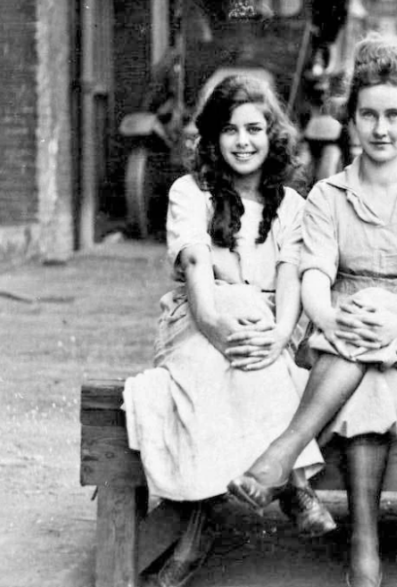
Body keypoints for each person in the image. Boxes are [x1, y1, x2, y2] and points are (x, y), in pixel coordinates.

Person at [227, 32, 397, 587]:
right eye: (368, 115)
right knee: (374, 380)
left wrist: (394, 321)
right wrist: (334, 320)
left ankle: (282, 454)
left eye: (394, 116)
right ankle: (365, 544)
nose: (382, 129)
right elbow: (314, 279)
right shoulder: (328, 196)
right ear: (351, 120)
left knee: (375, 331)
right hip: (342, 324)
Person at [123, 74, 332, 587]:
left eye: (255, 129)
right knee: (222, 339)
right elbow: (195, 263)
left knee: (253, 335)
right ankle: (296, 483)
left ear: (272, 135)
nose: (243, 141)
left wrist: (282, 335)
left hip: (264, 330)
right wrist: (215, 323)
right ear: (213, 138)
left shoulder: (289, 205)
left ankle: (196, 536)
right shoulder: (189, 192)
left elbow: (288, 279)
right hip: (196, 322)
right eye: (231, 130)